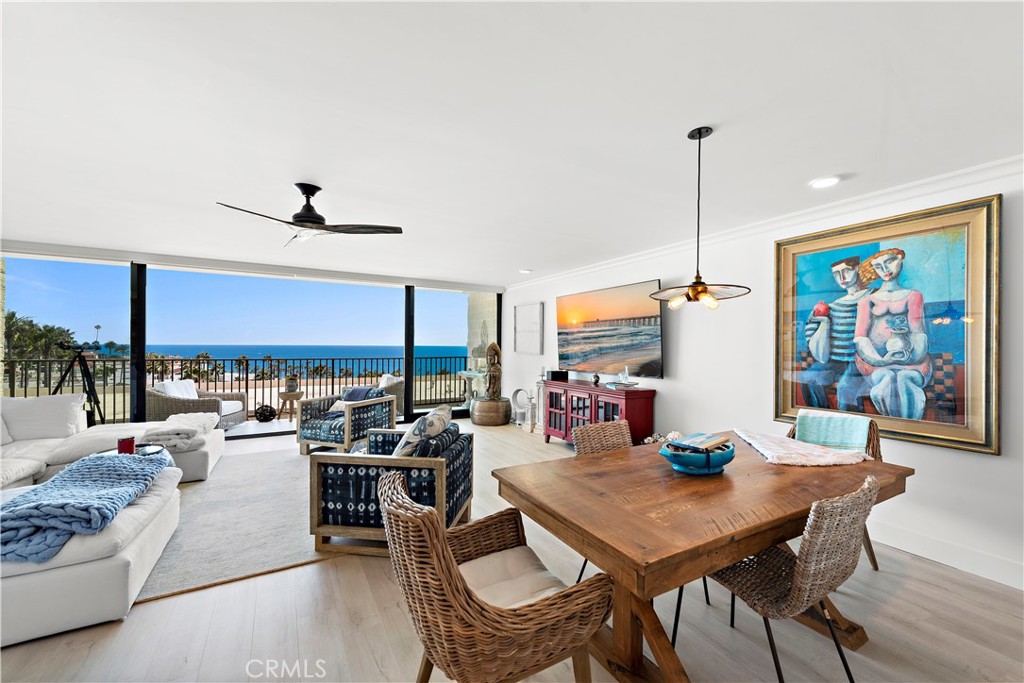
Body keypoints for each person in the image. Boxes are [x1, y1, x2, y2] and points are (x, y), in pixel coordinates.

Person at [854, 248, 932, 419]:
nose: (885, 269)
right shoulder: (866, 301)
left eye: (889, 261)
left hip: (910, 358)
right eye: (879, 266)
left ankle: (910, 429)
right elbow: (860, 338)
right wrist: (880, 360)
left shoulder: (913, 296)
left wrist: (911, 357)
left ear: (900, 260)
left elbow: (918, 333)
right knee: (885, 378)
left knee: (907, 378)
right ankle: (892, 428)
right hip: (875, 360)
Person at [801, 256, 871, 411]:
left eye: (846, 271)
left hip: (864, 359)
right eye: (836, 274)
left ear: (857, 269)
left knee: (846, 388)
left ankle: (851, 431)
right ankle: (821, 421)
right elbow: (821, 355)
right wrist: (824, 323)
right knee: (808, 379)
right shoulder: (834, 306)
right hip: (837, 361)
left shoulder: (874, 297)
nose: (842, 278)